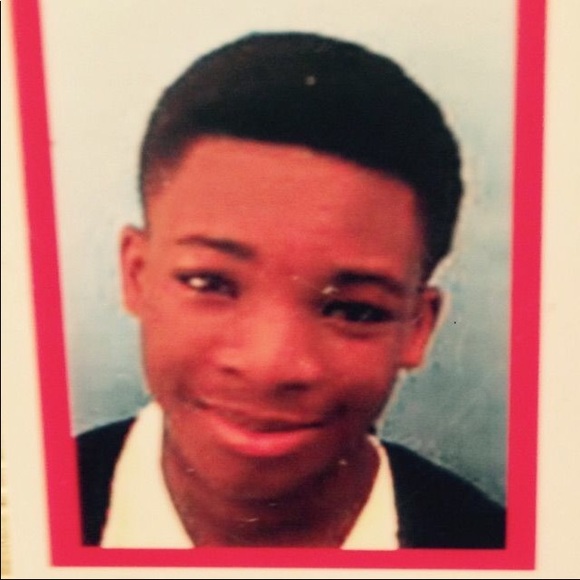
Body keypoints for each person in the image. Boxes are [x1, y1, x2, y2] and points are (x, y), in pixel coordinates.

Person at [77, 32, 505, 549]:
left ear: (418, 328)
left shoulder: (501, 550)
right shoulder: (28, 513)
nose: (270, 366)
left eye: (353, 310)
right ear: (136, 274)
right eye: (210, 282)